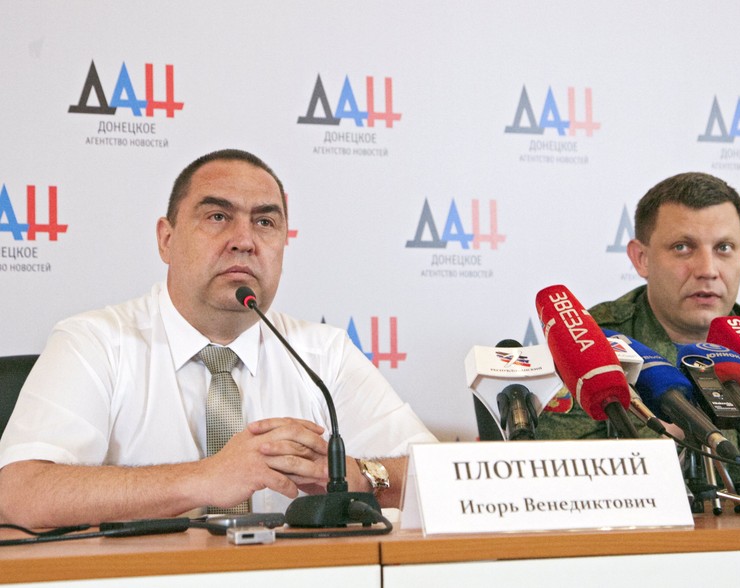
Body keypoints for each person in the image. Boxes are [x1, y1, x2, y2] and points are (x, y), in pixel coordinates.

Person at [0, 149, 436, 528]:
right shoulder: (94, 341)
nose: (244, 240)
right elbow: (19, 490)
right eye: (217, 216)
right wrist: (203, 478)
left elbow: (443, 478)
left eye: (265, 221)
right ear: (166, 240)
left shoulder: (324, 354)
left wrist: (359, 477)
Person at [537, 171, 740, 439]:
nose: (707, 269)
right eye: (682, 247)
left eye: (723, 248)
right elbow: (563, 479)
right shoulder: (590, 347)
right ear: (641, 258)